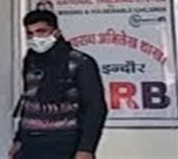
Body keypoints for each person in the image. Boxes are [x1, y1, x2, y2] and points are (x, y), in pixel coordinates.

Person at [10, 9, 107, 159]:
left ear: (56, 32)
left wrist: (86, 148)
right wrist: (18, 139)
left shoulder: (80, 61)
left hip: (65, 140)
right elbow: (29, 101)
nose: (35, 37)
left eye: (41, 31)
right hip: (31, 141)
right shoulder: (31, 61)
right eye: (30, 33)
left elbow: (95, 107)